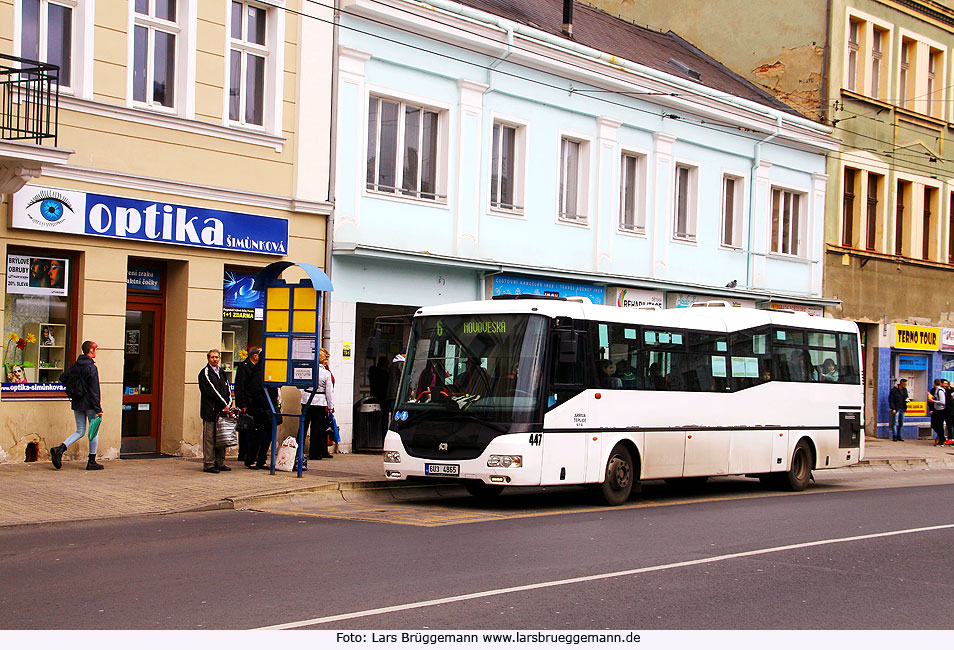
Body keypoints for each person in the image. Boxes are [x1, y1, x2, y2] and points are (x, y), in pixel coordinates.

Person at [50, 341, 104, 470]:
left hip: (77, 401)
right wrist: (98, 408)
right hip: (90, 404)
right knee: (93, 432)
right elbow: (94, 390)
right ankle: (91, 461)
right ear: (91, 351)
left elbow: (63, 378)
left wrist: (76, 388)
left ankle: (60, 448)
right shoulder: (91, 367)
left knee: (80, 431)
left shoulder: (76, 365)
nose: (95, 352)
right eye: (95, 350)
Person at [234, 346, 271, 469]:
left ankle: (260, 459)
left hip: (266, 407)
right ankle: (248, 456)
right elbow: (241, 387)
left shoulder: (264, 370)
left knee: (265, 434)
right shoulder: (250, 369)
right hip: (258, 406)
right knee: (254, 433)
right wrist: (242, 404)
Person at [198, 348, 232, 473]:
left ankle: (220, 462)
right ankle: (209, 464)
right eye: (212, 357)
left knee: (221, 438)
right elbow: (210, 390)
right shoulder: (205, 372)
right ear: (208, 359)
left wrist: (228, 403)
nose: (215, 359)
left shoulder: (222, 372)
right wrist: (224, 403)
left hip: (222, 412)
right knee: (210, 439)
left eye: (216, 357)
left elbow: (227, 388)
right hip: (210, 411)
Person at [302, 347, 335, 460]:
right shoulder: (325, 374)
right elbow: (329, 391)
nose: (327, 361)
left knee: (303, 426)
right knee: (316, 429)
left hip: (306, 399)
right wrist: (331, 406)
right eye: (325, 359)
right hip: (319, 401)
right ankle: (314, 453)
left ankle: (298, 450)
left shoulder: (308, 370)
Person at [386, 348, 406, 418]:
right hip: (398, 394)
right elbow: (404, 378)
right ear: (404, 355)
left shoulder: (393, 364)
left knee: (394, 414)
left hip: (391, 394)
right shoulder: (401, 364)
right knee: (399, 415)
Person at [928, 378, 947, 446]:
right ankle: (941, 438)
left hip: (940, 410)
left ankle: (942, 439)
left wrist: (933, 401)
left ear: (934, 383)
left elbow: (942, 402)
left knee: (938, 425)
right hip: (937, 409)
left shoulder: (940, 391)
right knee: (934, 425)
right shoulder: (937, 390)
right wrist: (932, 398)